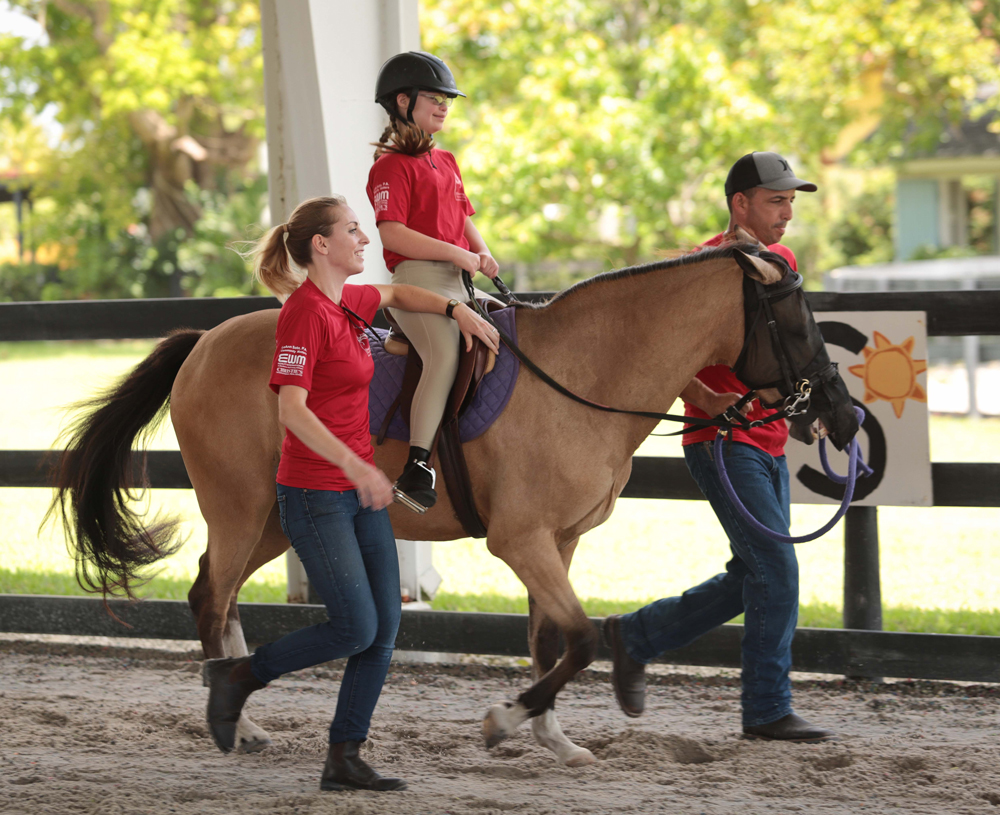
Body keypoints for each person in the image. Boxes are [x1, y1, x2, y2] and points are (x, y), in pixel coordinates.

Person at [202, 195, 499, 791]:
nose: (364, 240)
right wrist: (355, 467)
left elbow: (398, 293)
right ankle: (238, 678)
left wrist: (456, 310)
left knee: (384, 626)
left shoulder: (349, 302)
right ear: (322, 245)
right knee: (355, 627)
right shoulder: (304, 315)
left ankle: (344, 756)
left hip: (360, 492)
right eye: (353, 231)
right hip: (316, 493)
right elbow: (291, 410)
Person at [603, 152, 838, 743]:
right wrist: (704, 397)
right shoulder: (701, 271)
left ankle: (633, 637)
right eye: (776, 201)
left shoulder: (780, 263)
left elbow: (792, 351)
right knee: (776, 571)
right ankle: (766, 709)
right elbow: (655, 354)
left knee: (754, 575)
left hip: (770, 444)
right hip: (723, 442)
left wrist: (811, 411)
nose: (787, 213)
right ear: (740, 204)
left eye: (791, 202)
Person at [366, 51, 500, 512]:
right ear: (403, 101)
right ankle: (417, 465)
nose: (444, 106)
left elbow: (463, 218)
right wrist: (457, 253)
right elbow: (393, 234)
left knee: (512, 329)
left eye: (447, 100)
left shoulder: (447, 160)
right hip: (417, 281)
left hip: (460, 281)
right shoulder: (390, 166)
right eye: (434, 98)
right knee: (444, 351)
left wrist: (482, 251)